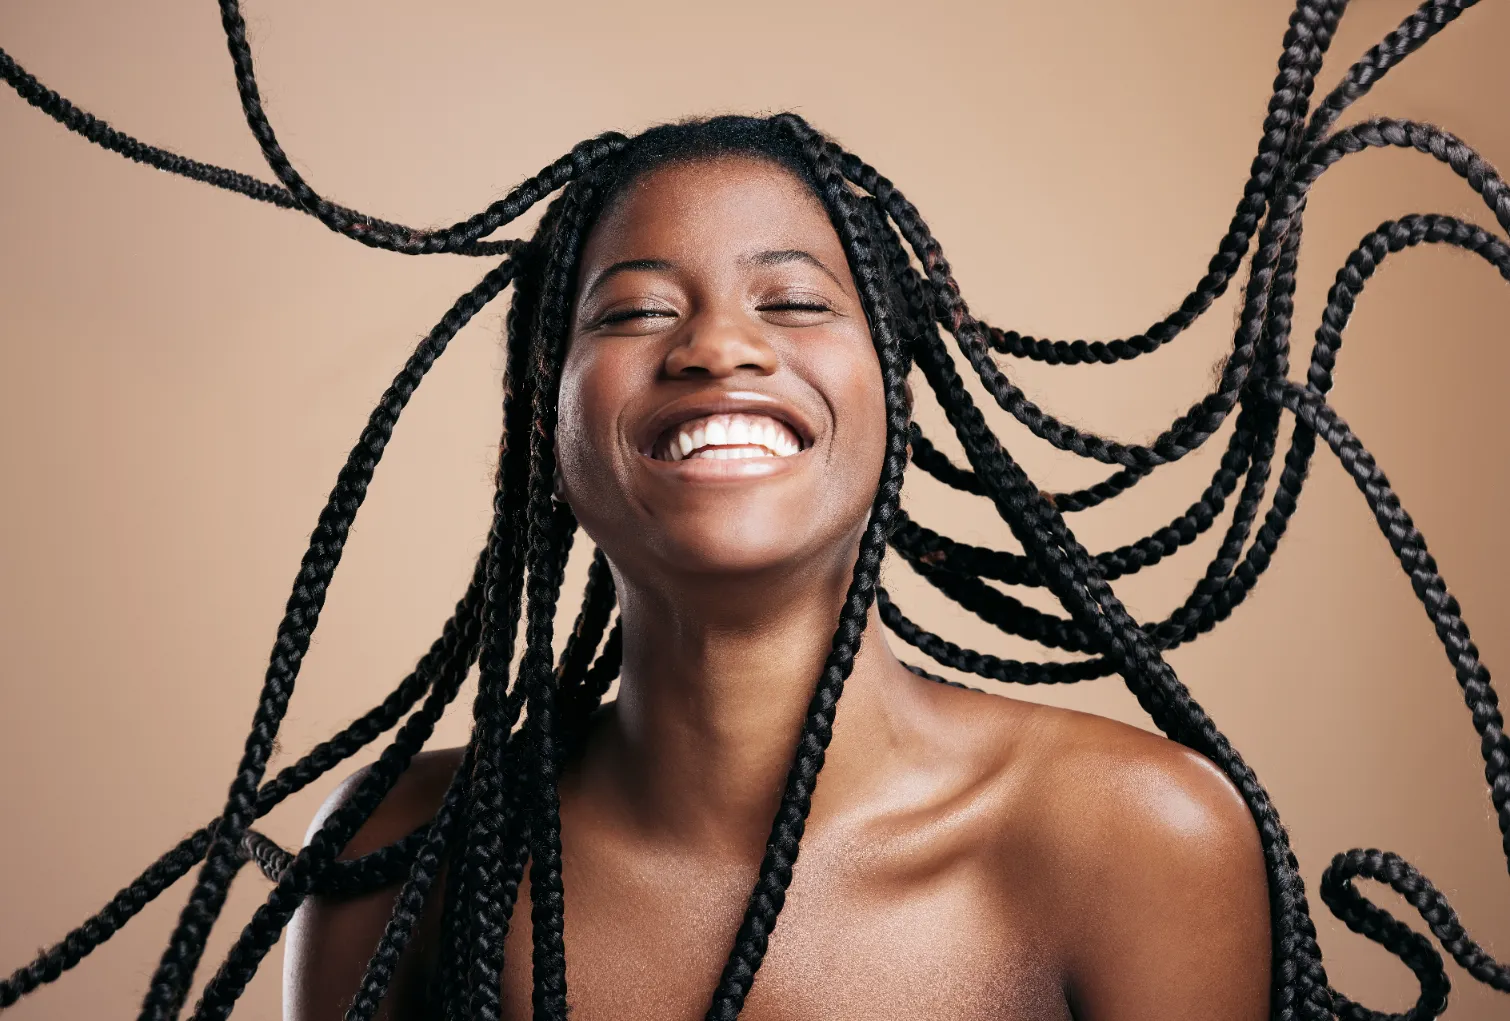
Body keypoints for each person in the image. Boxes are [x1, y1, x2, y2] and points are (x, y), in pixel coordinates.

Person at [0, 2, 1505, 1020]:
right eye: (633, 310)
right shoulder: (405, 853)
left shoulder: (1136, 839)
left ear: (899, 395)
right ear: (546, 425)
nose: (717, 347)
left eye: (796, 300)